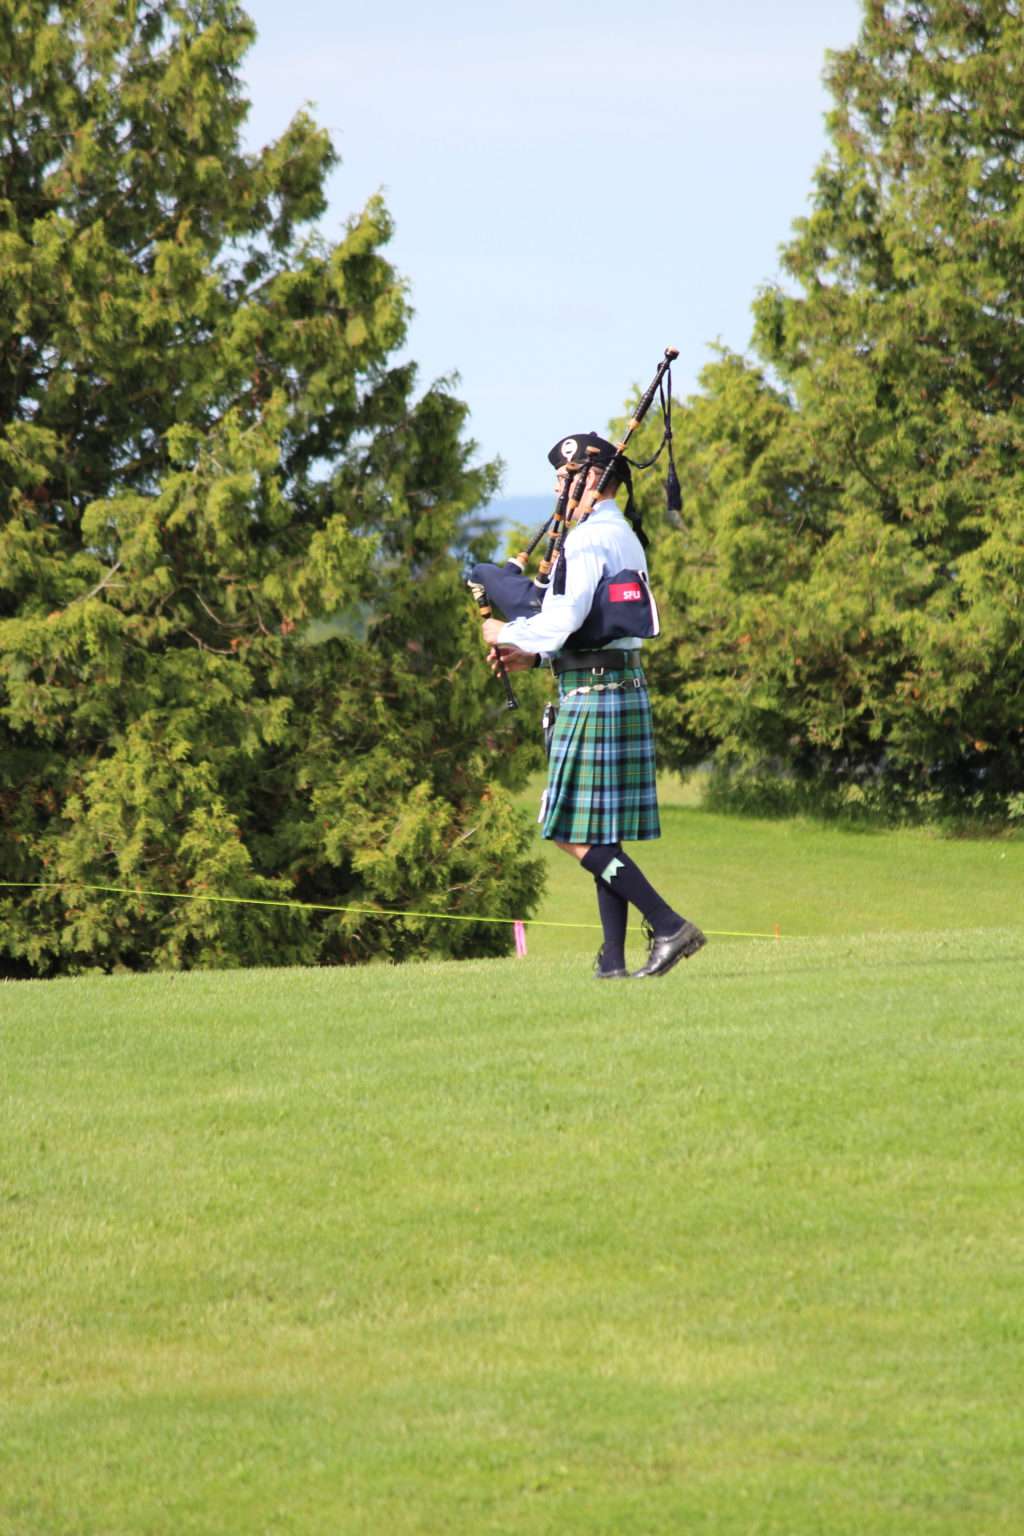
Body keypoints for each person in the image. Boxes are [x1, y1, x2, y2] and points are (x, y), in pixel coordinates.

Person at [480, 432, 706, 980]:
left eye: (565, 478)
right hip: (618, 687)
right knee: (604, 835)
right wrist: (532, 661)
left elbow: (564, 620)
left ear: (590, 478)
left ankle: (669, 924)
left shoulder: (585, 542)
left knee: (567, 830)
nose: (560, 487)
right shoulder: (621, 535)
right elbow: (600, 629)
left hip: (595, 698)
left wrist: (504, 626)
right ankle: (612, 961)